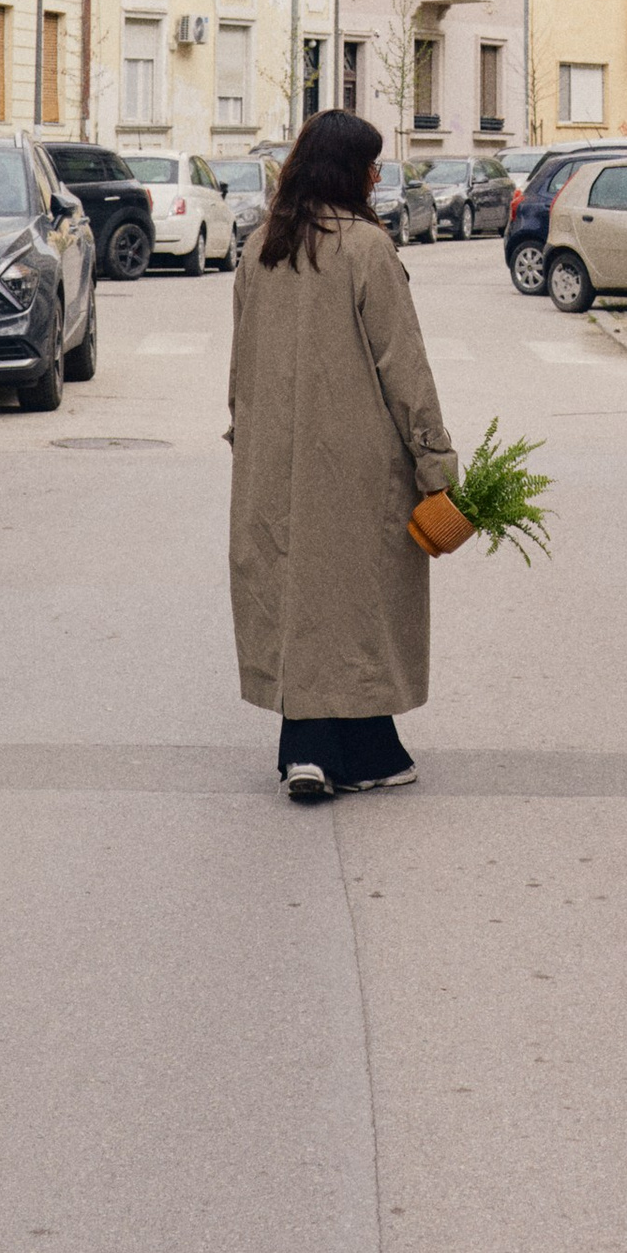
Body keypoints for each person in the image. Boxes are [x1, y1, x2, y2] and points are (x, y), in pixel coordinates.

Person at [227, 106, 458, 801]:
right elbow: (404, 368)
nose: (378, 174)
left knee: (296, 591)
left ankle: (308, 747)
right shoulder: (366, 249)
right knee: (360, 600)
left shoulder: (261, 245)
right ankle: (352, 750)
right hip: (357, 462)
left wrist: (246, 437)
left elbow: (240, 363)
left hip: (272, 457)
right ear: (352, 171)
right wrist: (435, 463)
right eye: (373, 163)